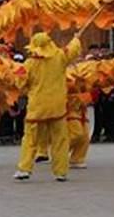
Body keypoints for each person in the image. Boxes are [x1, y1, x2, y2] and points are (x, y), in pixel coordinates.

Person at [14, 32, 81, 181]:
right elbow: (72, 49)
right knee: (60, 139)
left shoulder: (29, 64)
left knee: (30, 139)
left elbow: (19, 82)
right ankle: (61, 171)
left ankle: (24, 168)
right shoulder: (59, 57)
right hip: (57, 107)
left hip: (37, 107)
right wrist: (75, 37)